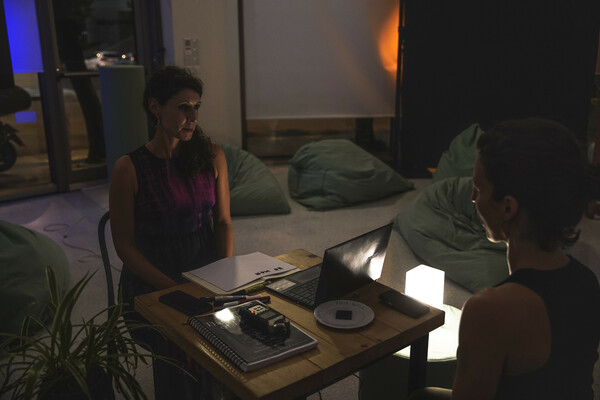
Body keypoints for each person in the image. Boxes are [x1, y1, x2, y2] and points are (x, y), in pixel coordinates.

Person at [410, 118, 600, 399]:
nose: (473, 199)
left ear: (508, 207)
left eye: (478, 188)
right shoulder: (588, 281)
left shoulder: (488, 310)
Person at [109, 66, 234, 399]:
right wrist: (175, 289)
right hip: (152, 280)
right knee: (181, 342)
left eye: (196, 107)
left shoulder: (212, 155)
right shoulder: (129, 168)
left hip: (205, 271)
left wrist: (225, 273)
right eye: (183, 107)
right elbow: (124, 245)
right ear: (156, 107)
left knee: (243, 328)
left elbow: (223, 222)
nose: (193, 117)